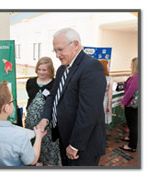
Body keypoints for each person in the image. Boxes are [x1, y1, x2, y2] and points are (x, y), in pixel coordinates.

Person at [37, 28, 106, 166]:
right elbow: (53, 96)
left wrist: (75, 145)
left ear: (75, 44)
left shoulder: (91, 67)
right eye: (55, 50)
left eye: (60, 49)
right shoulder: (63, 68)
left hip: (83, 144)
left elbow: (89, 112)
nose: (57, 55)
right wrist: (45, 118)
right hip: (64, 136)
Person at [25, 57, 61, 166]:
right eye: (39, 69)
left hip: (48, 122)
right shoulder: (30, 82)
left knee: (49, 145)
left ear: (50, 70)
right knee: (34, 142)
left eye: (44, 70)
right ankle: (37, 162)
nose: (41, 72)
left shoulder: (56, 83)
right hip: (31, 121)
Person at [120, 57, 138, 152]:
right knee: (133, 124)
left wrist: (123, 102)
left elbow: (130, 91)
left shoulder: (136, 76)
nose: (130, 65)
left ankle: (132, 146)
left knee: (133, 124)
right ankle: (131, 138)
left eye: (131, 63)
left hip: (131, 105)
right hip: (133, 105)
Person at [100, 60, 114, 124]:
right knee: (103, 119)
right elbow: (110, 93)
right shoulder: (109, 78)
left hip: (95, 101)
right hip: (104, 101)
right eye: (108, 66)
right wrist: (109, 105)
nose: (109, 67)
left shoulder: (94, 76)